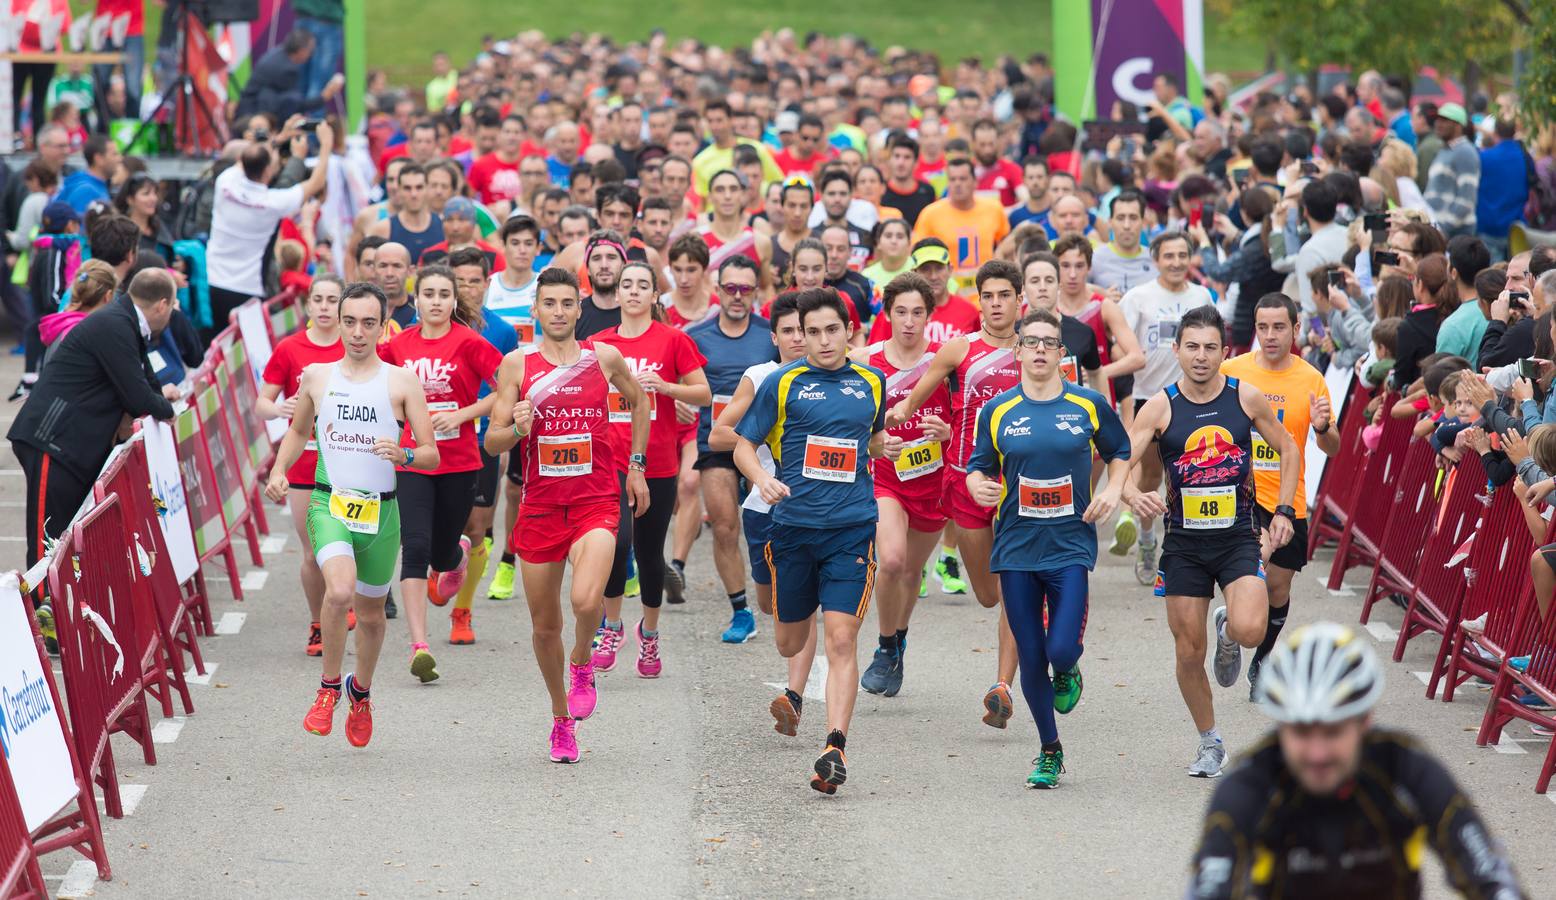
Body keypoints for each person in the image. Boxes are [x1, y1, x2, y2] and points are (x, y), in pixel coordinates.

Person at [1187, 622, 1529, 898]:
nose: (1317, 753)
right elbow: (1208, 888)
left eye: (1333, 733)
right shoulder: (1250, 784)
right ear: (1281, 726)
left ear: (1364, 721)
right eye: (1302, 733)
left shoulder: (1403, 766)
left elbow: (1490, 875)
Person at [1119, 305, 1297, 778]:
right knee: (1187, 652)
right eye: (1192, 347)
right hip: (1184, 546)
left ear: (1225, 351)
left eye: (1210, 348)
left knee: (1251, 630)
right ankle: (1210, 741)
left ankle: (1228, 633)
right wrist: (1131, 491)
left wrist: (1282, 510)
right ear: (1176, 349)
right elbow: (1125, 459)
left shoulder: (1246, 398)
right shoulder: (1160, 406)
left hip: (1239, 537)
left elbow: (1289, 448)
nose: (1201, 357)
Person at [733, 288, 897, 794]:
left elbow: (867, 439)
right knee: (789, 639)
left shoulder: (872, 382)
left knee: (842, 639)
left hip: (851, 529)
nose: (824, 341)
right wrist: (761, 478)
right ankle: (798, 686)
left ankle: (835, 746)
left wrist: (884, 444)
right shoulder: (783, 383)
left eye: (833, 330)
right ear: (799, 336)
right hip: (793, 532)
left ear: (849, 331)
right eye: (813, 332)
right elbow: (743, 444)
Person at [484, 268, 651, 764]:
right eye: (549, 304)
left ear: (579, 310)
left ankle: (582, 662)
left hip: (596, 500)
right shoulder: (516, 365)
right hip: (539, 507)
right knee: (543, 627)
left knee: (584, 602)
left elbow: (640, 401)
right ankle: (561, 719)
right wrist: (515, 429)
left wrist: (636, 467)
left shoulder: (603, 358)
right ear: (535, 310)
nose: (558, 312)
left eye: (566, 304)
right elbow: (492, 442)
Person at [265, 282, 439, 749]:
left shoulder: (402, 382)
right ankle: (327, 689)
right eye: (349, 322)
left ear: (383, 327)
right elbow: (298, 431)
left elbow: (431, 455)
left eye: (368, 323)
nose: (357, 333)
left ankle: (359, 692)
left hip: (381, 515)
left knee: (372, 617)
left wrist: (402, 455)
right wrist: (280, 470)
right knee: (338, 590)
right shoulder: (317, 377)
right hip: (330, 503)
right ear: (337, 323)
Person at [966, 308, 1131, 788]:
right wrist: (978, 485)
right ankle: (1049, 750)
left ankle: (1070, 668)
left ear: (1062, 354)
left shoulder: (1087, 405)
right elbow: (978, 466)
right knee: (1031, 656)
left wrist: (1112, 490)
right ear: (1017, 351)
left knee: (1060, 648)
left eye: (1049, 343)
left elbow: (1120, 451)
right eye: (1031, 341)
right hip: (1016, 547)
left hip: (1069, 546)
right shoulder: (997, 411)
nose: (1040, 349)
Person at [887, 259, 1023, 726]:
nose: (996, 304)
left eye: (1004, 295)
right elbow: (911, 398)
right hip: (965, 479)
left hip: (1019, 485)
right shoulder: (959, 350)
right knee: (987, 593)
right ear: (979, 301)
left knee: (1014, 589)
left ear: (1018, 300)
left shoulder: (1035, 350)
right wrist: (890, 417)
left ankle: (1002, 686)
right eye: (988, 296)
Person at [380, 265, 505, 682]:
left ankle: (456, 557)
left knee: (442, 550)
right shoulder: (398, 346)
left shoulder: (470, 343)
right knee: (414, 545)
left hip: (460, 460)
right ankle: (420, 646)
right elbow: (373, 384)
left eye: (443, 294)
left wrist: (464, 414)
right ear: (416, 300)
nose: (435, 301)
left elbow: (508, 387)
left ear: (455, 301)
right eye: (428, 293)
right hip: (412, 459)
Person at [10, 268, 179, 573]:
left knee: (70, 534)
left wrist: (163, 406)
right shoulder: (116, 323)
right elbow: (138, 395)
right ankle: (39, 610)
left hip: (72, 445)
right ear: (162, 305)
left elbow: (146, 380)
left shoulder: (126, 321)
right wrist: (167, 412)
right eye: (173, 309)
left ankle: (63, 611)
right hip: (52, 438)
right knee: (48, 540)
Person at [590, 261, 710, 675]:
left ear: (655, 295)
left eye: (643, 285)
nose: (635, 291)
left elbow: (704, 393)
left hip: (657, 461)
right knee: (614, 546)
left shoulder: (672, 340)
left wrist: (667, 387)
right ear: (617, 294)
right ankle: (611, 626)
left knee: (648, 551)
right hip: (608, 462)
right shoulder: (599, 343)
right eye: (627, 285)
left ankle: (650, 636)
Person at [1220, 293, 1339, 699]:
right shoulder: (1232, 370)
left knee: (1278, 589)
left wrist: (1323, 427)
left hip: (1289, 498)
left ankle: (1261, 655)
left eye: (1279, 327)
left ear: (1295, 329)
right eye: (1263, 327)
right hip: (1241, 497)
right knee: (1253, 570)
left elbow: (1333, 448)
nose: (1270, 336)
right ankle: (1236, 627)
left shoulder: (1310, 379)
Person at [707, 291, 814, 732]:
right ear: (775, 337)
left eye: (803, 331)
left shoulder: (836, 376)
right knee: (774, 605)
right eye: (787, 331)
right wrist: (763, 436)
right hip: (764, 509)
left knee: (807, 604)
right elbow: (717, 435)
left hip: (819, 510)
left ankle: (794, 695)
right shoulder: (761, 376)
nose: (797, 339)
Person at [853, 273, 952, 696]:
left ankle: (898, 640)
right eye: (901, 312)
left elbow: (969, 421)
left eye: (917, 313)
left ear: (929, 316)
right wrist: (875, 442)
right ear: (887, 314)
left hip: (932, 482)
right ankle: (885, 644)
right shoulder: (863, 360)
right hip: (886, 479)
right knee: (891, 561)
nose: (909, 322)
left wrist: (945, 432)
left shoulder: (946, 364)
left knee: (912, 571)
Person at [1113, 231, 1215, 582]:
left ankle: (1187, 551)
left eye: (1182, 255)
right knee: (1153, 477)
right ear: (1155, 259)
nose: (1176, 262)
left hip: (1191, 399)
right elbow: (1120, 349)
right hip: (1148, 399)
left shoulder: (1201, 295)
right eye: (1168, 256)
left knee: (1191, 477)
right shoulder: (1139, 297)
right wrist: (1126, 402)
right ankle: (1146, 540)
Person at [258, 274, 347, 657]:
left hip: (349, 462)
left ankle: (342, 600)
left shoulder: (355, 346)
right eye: (319, 300)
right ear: (308, 306)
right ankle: (318, 623)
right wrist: (280, 408)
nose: (325, 307)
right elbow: (262, 402)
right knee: (312, 552)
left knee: (350, 545)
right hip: (304, 464)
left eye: (332, 300)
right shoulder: (290, 348)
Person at [687, 257, 776, 641]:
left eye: (745, 289)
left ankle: (781, 590)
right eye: (730, 288)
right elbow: (685, 381)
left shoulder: (769, 333)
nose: (737, 296)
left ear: (756, 292)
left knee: (775, 525)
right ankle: (741, 611)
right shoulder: (698, 335)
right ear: (717, 289)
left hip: (764, 443)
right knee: (724, 525)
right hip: (717, 440)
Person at [445, 246, 518, 641]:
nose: (468, 288)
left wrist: (501, 436)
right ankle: (441, 567)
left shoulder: (502, 331)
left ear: (488, 284)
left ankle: (463, 611)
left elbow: (506, 389)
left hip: (481, 443)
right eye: (460, 282)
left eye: (475, 281)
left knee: (477, 527)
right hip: (436, 443)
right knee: (441, 529)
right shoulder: (433, 327)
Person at [207, 120, 335, 340]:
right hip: (247, 293)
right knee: (246, 357)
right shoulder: (273, 203)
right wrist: (325, 145)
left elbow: (249, 157)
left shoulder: (225, 182)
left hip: (213, 284)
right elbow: (316, 183)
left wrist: (279, 138)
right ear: (268, 171)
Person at [913, 158, 1011, 291]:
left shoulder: (994, 209)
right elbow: (916, 255)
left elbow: (1007, 247)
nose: (957, 184)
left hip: (986, 294)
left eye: (963, 179)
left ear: (975, 182)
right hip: (947, 295)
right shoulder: (930, 214)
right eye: (952, 179)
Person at [234, 27, 344, 122]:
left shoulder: (278, 54)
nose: (311, 55)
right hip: (253, 117)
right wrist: (324, 96)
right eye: (311, 51)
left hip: (247, 111)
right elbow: (296, 105)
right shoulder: (287, 69)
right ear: (301, 51)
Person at [369, 163, 445, 266]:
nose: (414, 194)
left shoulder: (444, 226)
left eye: (419, 187)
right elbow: (365, 266)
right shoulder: (383, 229)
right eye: (407, 188)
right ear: (399, 190)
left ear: (427, 188)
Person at [1089, 189, 1157, 293]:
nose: (1127, 225)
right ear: (1110, 222)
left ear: (1143, 222)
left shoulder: (1156, 260)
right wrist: (1101, 296)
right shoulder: (1094, 259)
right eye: (1120, 218)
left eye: (1133, 218)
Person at [575, 230, 629, 339]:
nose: (604, 265)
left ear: (623, 265)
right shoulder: (575, 314)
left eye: (611, 257)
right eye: (596, 258)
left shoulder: (638, 313)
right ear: (587, 269)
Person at [881, 135, 938, 228]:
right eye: (896, 156)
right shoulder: (880, 191)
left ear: (916, 163)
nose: (901, 163)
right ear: (889, 160)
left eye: (907, 157)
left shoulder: (928, 192)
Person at [57, 134, 120, 215]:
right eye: (114, 154)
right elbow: (79, 226)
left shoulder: (93, 185)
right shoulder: (86, 191)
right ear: (99, 158)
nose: (119, 158)